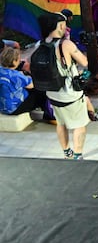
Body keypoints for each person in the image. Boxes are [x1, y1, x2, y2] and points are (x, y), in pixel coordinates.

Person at [38, 12, 90, 160]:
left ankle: (67, 152)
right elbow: (85, 63)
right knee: (79, 125)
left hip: (52, 92)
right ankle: (78, 155)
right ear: (60, 26)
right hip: (70, 93)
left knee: (61, 123)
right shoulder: (66, 44)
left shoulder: (40, 44)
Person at [0, 46, 54, 121]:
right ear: (14, 61)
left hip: (2, 107)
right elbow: (32, 85)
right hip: (13, 109)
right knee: (40, 92)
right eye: (18, 60)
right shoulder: (16, 75)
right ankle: (48, 115)